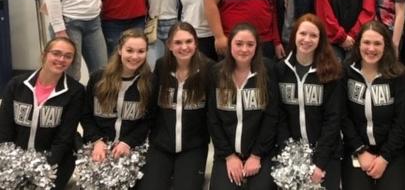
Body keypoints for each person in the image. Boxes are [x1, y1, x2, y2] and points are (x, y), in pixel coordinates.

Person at [0, 37, 84, 190]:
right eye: (56, 53)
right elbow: (4, 129)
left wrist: (43, 166)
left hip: (54, 161)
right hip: (14, 158)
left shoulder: (75, 91)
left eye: (68, 56)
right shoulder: (16, 84)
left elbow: (64, 138)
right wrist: (12, 162)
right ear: (44, 55)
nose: (61, 59)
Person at [138, 22, 213, 190]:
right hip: (161, 145)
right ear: (170, 45)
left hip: (193, 147)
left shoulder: (209, 69)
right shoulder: (161, 66)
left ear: (196, 43)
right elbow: (152, 109)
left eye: (188, 41)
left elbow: (212, 114)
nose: (184, 47)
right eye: (178, 42)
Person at [275, 14, 343, 190]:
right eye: (302, 33)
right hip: (291, 152)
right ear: (294, 35)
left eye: (314, 35)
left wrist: (319, 163)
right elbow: (279, 117)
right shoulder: (280, 70)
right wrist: (291, 155)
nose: (307, 39)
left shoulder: (331, 72)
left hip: (326, 153)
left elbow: (333, 120)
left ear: (321, 40)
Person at [208, 23, 278, 189]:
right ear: (230, 44)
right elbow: (212, 119)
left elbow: (272, 117)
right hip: (227, 153)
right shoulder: (216, 73)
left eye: (250, 44)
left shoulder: (267, 70)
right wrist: (229, 156)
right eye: (239, 44)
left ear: (257, 47)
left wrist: (257, 155)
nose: (244, 49)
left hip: (261, 153)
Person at [341, 21, 405, 189]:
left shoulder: (398, 75)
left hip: (392, 150)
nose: (371, 49)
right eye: (366, 42)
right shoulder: (346, 72)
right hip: (356, 147)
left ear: (386, 46)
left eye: (377, 43)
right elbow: (343, 116)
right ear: (358, 45)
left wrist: (384, 158)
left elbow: (402, 121)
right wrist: (360, 150)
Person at [81, 29, 153, 165]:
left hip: (133, 147)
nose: (135, 56)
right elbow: (86, 115)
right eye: (129, 50)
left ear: (146, 52)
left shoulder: (150, 82)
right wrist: (97, 140)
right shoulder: (98, 78)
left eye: (141, 51)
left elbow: (149, 120)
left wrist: (128, 142)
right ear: (120, 50)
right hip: (98, 146)